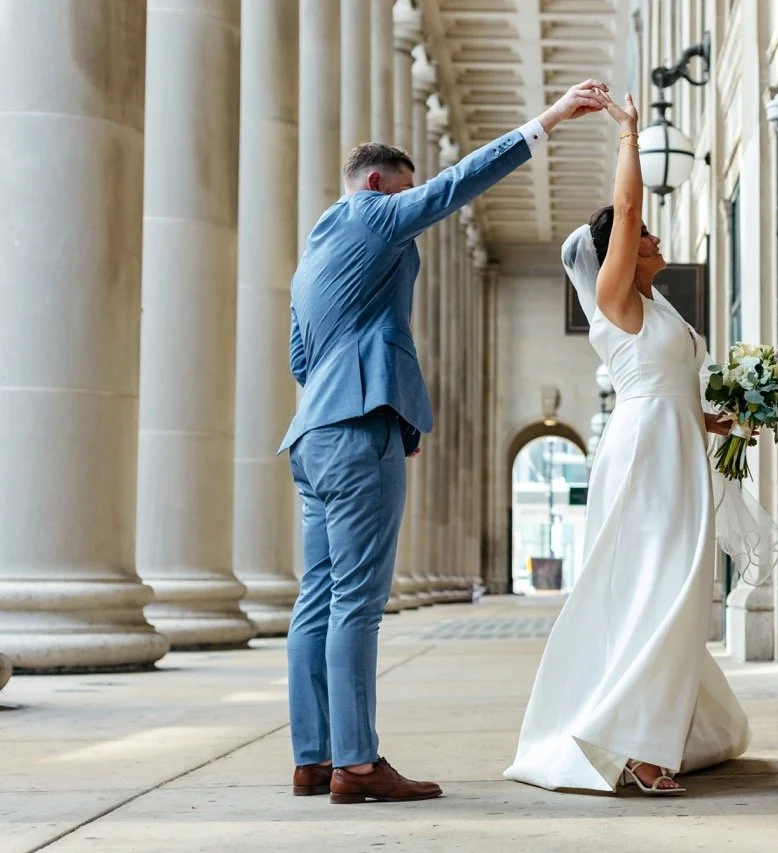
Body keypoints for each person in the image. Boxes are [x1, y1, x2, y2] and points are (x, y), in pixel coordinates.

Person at [281, 81, 610, 805]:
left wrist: (384, 404)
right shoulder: (376, 218)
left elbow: (301, 360)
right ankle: (358, 764)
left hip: (313, 436)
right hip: (358, 431)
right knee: (357, 603)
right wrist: (549, 119)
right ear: (376, 183)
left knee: (317, 597)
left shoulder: (315, 250)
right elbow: (460, 183)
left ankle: (313, 756)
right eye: (405, 194)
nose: (412, 209)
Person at [503, 93, 752, 796]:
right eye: (644, 237)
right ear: (619, 247)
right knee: (655, 585)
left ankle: (661, 725)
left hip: (678, 446)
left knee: (678, 585)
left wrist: (718, 421)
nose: (655, 242)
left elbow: (670, 382)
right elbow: (630, 209)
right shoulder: (617, 298)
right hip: (645, 455)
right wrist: (629, 136)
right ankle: (636, 746)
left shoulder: (662, 307)